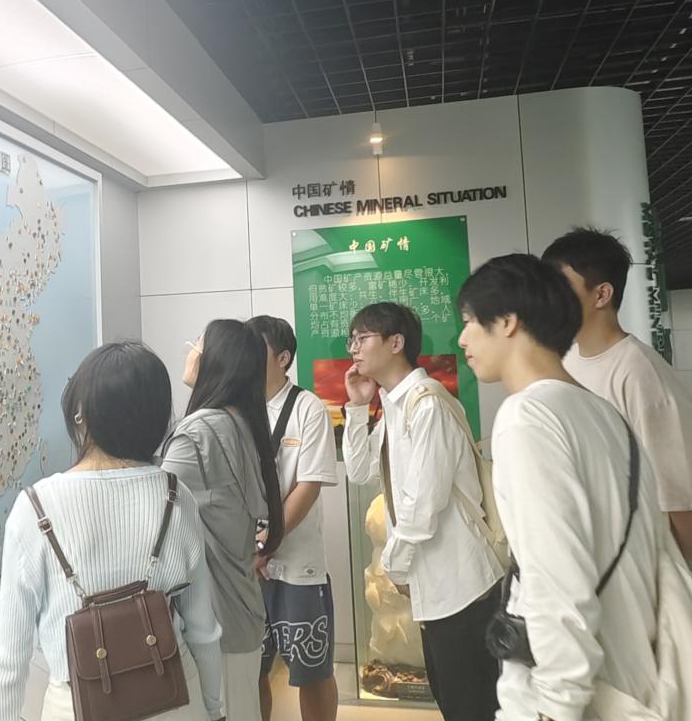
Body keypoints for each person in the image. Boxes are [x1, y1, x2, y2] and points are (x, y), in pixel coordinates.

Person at [457, 253, 672, 720]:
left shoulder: (527, 417)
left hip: (576, 698)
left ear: (508, 321)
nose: (462, 338)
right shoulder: (604, 414)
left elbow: (555, 580)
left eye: (471, 320)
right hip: (636, 680)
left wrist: (556, 705)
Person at [0, 342, 226, 721]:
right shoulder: (175, 494)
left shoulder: (34, 508)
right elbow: (203, 630)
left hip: (76, 706)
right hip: (177, 697)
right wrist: (214, 710)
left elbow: (8, 660)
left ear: (81, 414)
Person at [342, 302, 502, 721]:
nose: (353, 348)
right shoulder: (394, 406)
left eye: (362, 337)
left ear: (396, 342)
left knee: (473, 705)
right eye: (351, 339)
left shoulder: (426, 404)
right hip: (435, 585)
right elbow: (359, 472)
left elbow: (422, 505)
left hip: (461, 584)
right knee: (454, 701)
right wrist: (357, 408)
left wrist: (395, 567)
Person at [160, 319, 285, 721]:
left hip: (214, 622)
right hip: (242, 610)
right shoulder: (239, 420)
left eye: (197, 345)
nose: (190, 352)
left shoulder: (198, 432)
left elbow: (157, 513)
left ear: (215, 360)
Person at [543, 227, 692, 561]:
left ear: (601, 295)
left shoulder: (639, 373)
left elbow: (680, 501)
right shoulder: (567, 361)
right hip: (590, 559)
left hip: (639, 565)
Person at [244, 316, 339, 721]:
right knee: (252, 670)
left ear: (283, 358)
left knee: (312, 671)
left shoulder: (307, 407)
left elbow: (309, 485)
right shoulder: (236, 407)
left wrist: (267, 544)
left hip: (298, 566)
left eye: (256, 348)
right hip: (245, 565)